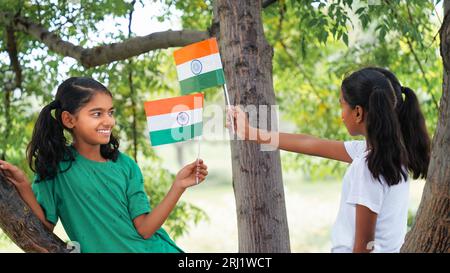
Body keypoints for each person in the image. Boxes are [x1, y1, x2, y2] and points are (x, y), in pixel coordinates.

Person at [227, 67, 430, 253]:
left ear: (358, 112)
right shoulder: (391, 156)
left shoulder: (368, 167)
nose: (341, 115)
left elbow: (363, 248)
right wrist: (250, 132)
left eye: (342, 105)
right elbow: (310, 143)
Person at [0, 77, 208, 253]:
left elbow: (144, 229)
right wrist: (23, 185)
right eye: (97, 114)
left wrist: (178, 185)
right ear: (69, 120)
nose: (109, 121)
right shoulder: (55, 166)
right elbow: (45, 225)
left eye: (111, 112)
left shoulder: (126, 165)